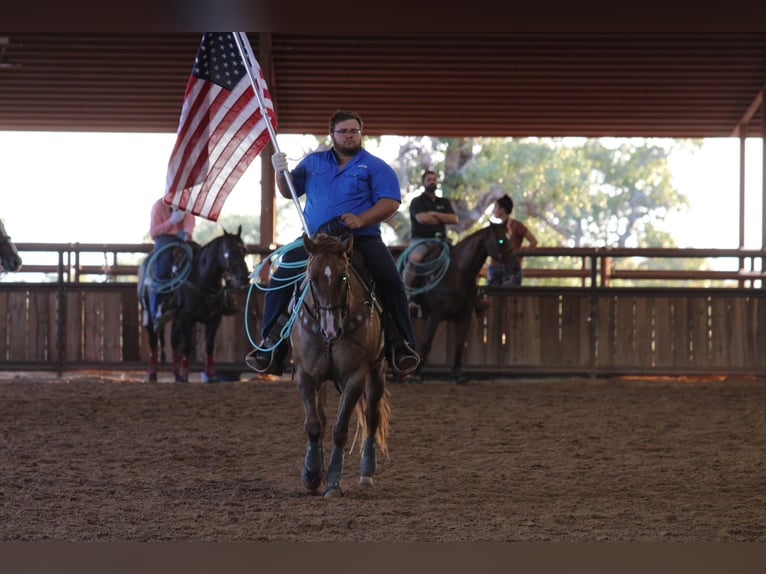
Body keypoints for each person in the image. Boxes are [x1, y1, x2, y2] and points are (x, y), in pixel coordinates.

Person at [247, 110, 420, 376]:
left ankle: (402, 345)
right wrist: (280, 172)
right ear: (332, 134)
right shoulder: (313, 162)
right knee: (279, 280)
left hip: (361, 238)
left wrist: (361, 219)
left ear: (361, 133)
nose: (349, 136)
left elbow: (390, 202)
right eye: (344, 131)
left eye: (354, 131)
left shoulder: (375, 166)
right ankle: (269, 346)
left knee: (392, 282)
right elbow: (287, 191)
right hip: (316, 241)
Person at [402, 170, 458, 301]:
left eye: (434, 179)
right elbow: (422, 219)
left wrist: (434, 214)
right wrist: (443, 218)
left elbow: (454, 219)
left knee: (460, 260)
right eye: (429, 179)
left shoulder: (444, 201)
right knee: (414, 259)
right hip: (422, 241)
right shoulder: (417, 201)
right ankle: (404, 294)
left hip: (442, 241)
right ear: (423, 183)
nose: (432, 181)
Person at [147, 198, 195, 329]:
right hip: (164, 240)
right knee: (161, 270)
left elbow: (189, 224)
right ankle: (155, 313)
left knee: (198, 258)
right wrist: (171, 222)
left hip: (183, 240)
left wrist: (187, 233)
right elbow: (154, 232)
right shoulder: (158, 206)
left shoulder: (187, 205)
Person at [487, 194, 537, 286]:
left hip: (511, 268)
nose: (494, 210)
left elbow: (533, 241)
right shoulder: (495, 229)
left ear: (502, 209)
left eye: (496, 207)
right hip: (496, 267)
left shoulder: (516, 226)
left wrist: (522, 253)